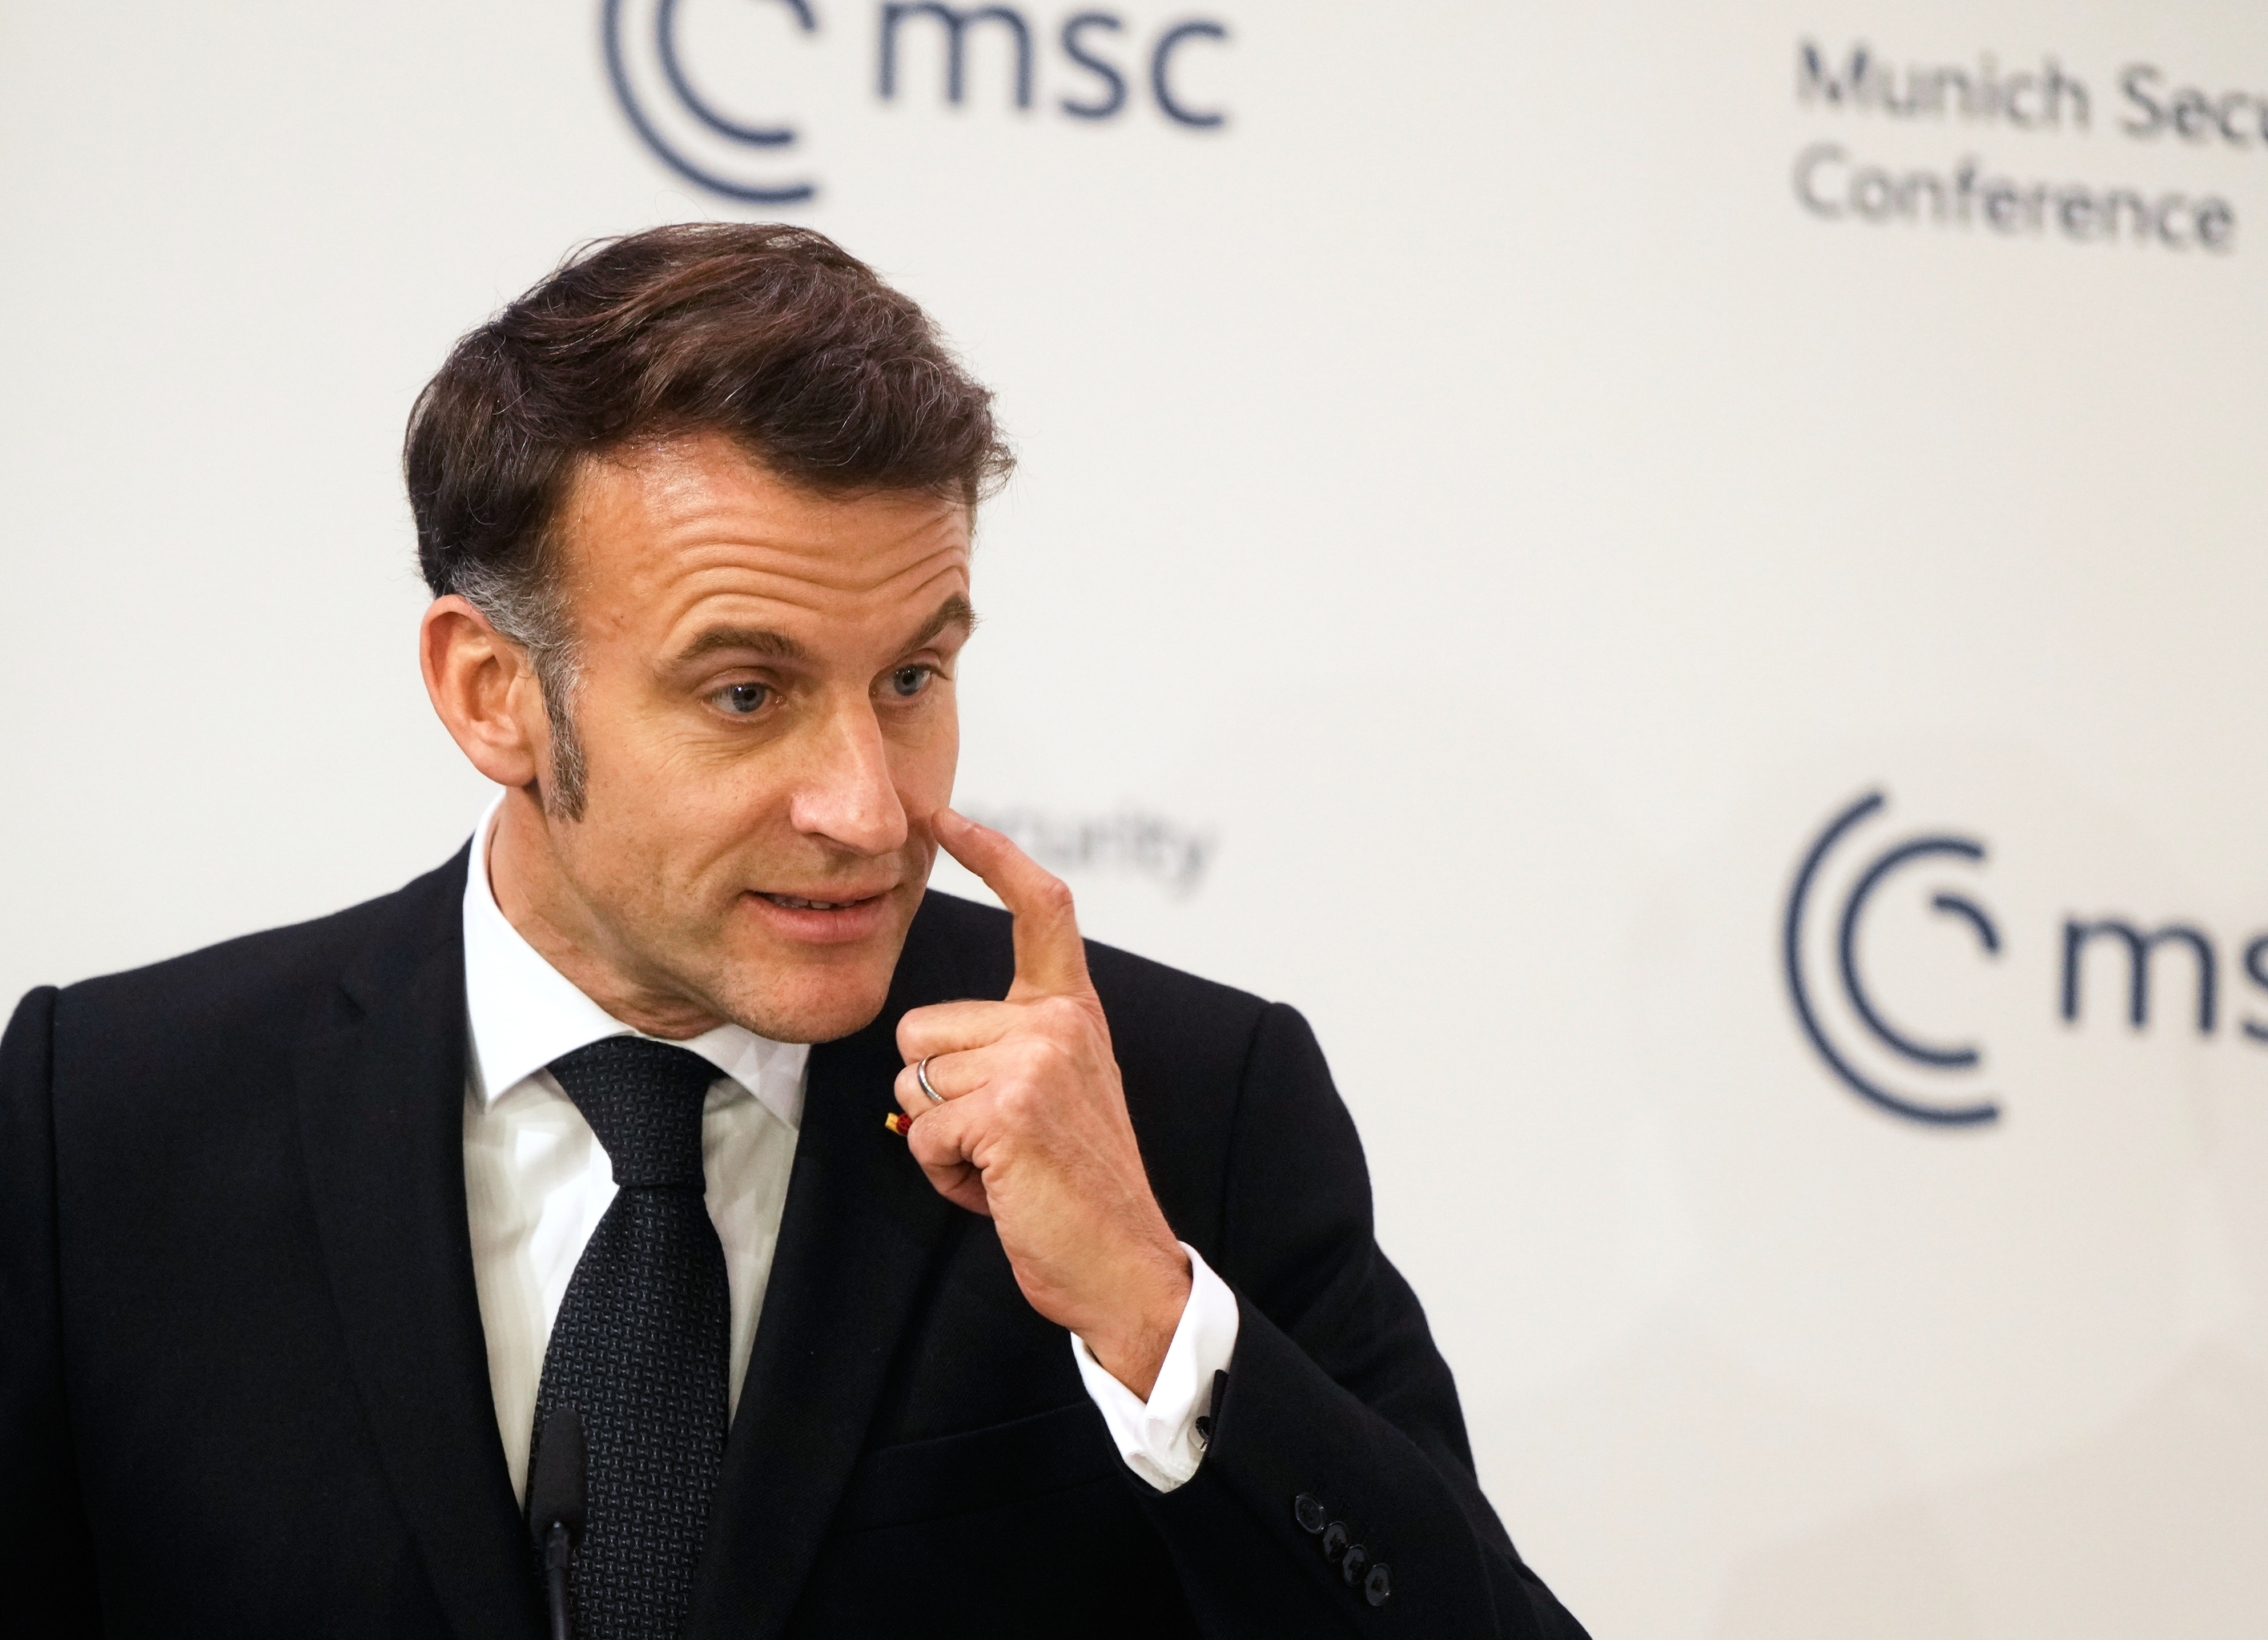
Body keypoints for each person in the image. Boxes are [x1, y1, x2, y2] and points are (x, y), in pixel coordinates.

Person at [0, 223, 1586, 1638]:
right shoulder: (106, 1115)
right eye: (746, 692)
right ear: (493, 693)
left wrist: (1156, 1320)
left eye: (911, 676)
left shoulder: (1183, 1104)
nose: (868, 807)